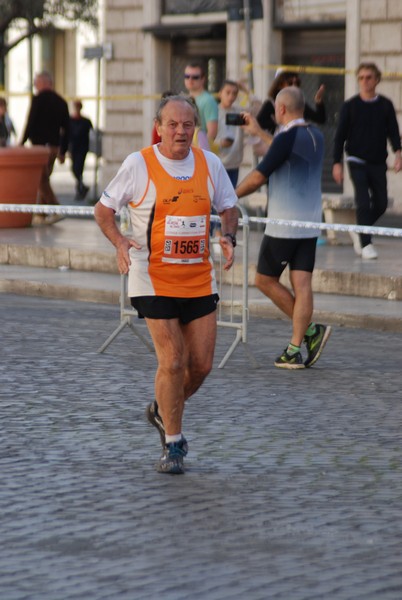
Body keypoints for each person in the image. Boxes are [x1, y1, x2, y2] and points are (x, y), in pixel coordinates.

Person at [94, 95, 238, 474]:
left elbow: (229, 206)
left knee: (202, 366)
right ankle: (173, 444)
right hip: (151, 276)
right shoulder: (138, 164)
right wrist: (120, 241)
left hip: (198, 278)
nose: (181, 131)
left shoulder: (209, 163)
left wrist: (228, 235)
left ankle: (161, 408)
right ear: (158, 127)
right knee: (172, 360)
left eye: (188, 124)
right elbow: (103, 210)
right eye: (172, 124)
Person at [236, 86, 331, 369]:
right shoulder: (316, 135)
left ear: (280, 110)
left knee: (264, 280)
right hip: (310, 223)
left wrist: (229, 196)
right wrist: (259, 133)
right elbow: (285, 150)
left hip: (283, 225)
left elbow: (258, 177)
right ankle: (294, 347)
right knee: (302, 285)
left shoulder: (286, 137)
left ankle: (311, 332)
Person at [332, 62, 402, 260]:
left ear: (377, 79)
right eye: (361, 77)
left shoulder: (385, 105)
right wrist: (336, 163)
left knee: (380, 203)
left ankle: (360, 230)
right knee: (363, 202)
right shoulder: (350, 106)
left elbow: (394, 133)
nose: (364, 81)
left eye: (369, 77)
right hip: (356, 160)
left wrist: (398, 154)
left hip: (378, 161)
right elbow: (340, 136)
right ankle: (366, 244)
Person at [20, 71, 70, 225]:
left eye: (36, 82)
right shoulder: (62, 102)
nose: (35, 85)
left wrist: (21, 142)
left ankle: (56, 209)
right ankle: (40, 214)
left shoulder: (37, 100)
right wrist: (63, 151)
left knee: (41, 180)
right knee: (44, 178)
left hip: (39, 148)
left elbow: (30, 122)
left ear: (44, 83)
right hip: (54, 148)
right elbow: (67, 129)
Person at [256, 70, 326, 136]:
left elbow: (320, 119)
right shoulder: (271, 104)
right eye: (290, 83)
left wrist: (318, 101)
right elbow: (259, 122)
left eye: (297, 83)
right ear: (280, 85)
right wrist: (277, 122)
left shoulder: (300, 104)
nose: (294, 86)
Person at [216, 79, 245, 188]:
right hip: (218, 164)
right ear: (220, 93)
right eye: (228, 92)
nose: (231, 96)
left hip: (234, 163)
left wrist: (246, 91)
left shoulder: (239, 112)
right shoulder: (214, 112)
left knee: (229, 201)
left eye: (235, 93)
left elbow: (258, 109)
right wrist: (219, 143)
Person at [183, 62, 218, 148]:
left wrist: (202, 151)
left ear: (203, 79)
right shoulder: (184, 98)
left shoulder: (208, 100)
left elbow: (212, 132)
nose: (190, 80)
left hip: (199, 150)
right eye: (187, 76)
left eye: (195, 77)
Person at [69, 99, 93, 200]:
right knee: (74, 168)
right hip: (73, 148)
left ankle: (80, 188)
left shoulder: (85, 121)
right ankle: (81, 187)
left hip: (82, 148)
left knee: (78, 168)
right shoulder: (70, 120)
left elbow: (92, 133)